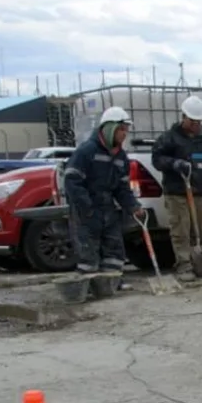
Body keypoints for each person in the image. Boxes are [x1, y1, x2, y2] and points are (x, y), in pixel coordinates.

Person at [63, 106, 146, 285]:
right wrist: (87, 208)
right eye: (121, 129)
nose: (125, 134)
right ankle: (88, 287)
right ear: (109, 128)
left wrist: (133, 206)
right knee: (88, 255)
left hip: (108, 210)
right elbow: (72, 181)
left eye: (126, 130)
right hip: (86, 212)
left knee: (114, 253)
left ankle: (110, 285)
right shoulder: (86, 152)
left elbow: (122, 189)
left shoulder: (121, 157)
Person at [151, 95, 202, 280]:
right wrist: (174, 163)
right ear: (183, 116)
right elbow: (157, 159)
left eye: (198, 121)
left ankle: (199, 263)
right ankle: (184, 265)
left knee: (200, 230)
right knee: (181, 230)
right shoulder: (169, 138)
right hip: (177, 192)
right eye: (192, 121)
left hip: (199, 191)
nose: (195, 125)